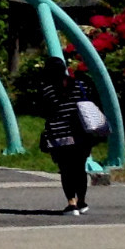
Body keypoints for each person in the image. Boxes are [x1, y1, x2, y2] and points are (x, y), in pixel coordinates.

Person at [35, 56, 95, 215]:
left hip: (59, 135)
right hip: (81, 134)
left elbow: (43, 112)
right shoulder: (80, 85)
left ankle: (71, 203)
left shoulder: (47, 90)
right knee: (80, 169)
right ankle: (82, 201)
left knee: (66, 170)